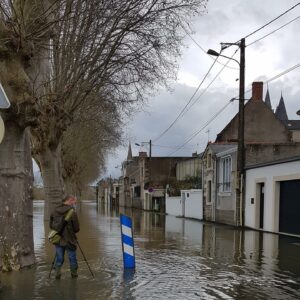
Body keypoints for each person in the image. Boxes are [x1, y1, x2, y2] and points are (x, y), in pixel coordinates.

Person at [49, 195, 80, 279]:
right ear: (70, 200)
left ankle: (57, 275)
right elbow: (77, 228)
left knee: (59, 258)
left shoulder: (54, 211)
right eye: (74, 201)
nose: (74, 203)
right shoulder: (72, 212)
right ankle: (74, 276)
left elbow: (51, 226)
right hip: (70, 240)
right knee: (72, 258)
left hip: (58, 239)